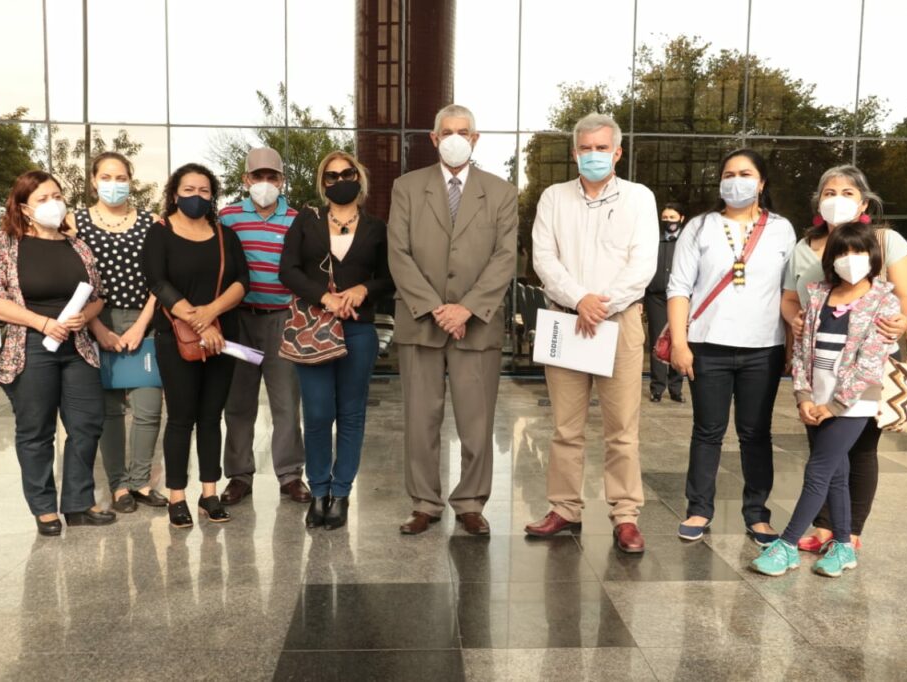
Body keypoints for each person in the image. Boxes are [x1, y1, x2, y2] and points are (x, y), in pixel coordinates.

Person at [524, 113, 658, 554]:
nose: (594, 155)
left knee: (622, 428)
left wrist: (602, 304)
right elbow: (544, 258)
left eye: (603, 148)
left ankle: (625, 515)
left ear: (618, 153)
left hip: (618, 323)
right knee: (566, 427)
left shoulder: (639, 199)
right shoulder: (554, 198)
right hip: (567, 320)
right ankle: (565, 508)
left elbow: (643, 264)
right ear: (574, 152)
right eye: (586, 147)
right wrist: (580, 298)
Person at [387, 103, 518, 536]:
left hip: (476, 323)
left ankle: (470, 502)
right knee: (421, 419)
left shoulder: (501, 192)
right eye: (447, 131)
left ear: (476, 138)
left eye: (464, 131)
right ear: (434, 137)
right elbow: (399, 254)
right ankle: (424, 502)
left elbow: (504, 257)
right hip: (421, 321)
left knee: (476, 422)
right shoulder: (407, 187)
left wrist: (466, 308)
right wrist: (436, 308)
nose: (456, 137)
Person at [781, 165, 907, 551]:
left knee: (858, 448)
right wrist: (796, 322)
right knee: (826, 448)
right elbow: (792, 298)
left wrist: (902, 320)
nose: (836, 198)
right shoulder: (806, 246)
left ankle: (851, 531)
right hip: (820, 361)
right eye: (828, 191)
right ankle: (828, 528)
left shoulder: (885, 240)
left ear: (863, 200)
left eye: (846, 191)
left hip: (865, 361)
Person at [0, 170, 115, 536]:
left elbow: (98, 295)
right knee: (36, 430)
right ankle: (44, 508)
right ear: (24, 208)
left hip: (77, 346)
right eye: (43, 199)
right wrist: (40, 322)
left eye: (57, 195)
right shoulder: (3, 244)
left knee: (86, 423)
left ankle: (79, 503)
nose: (54, 204)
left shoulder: (76, 245)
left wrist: (87, 315)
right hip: (30, 345)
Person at [753, 223, 900, 577]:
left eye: (859, 252)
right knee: (836, 473)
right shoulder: (818, 294)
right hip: (816, 398)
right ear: (831, 258)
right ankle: (844, 548)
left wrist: (834, 406)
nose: (851, 259)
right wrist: (803, 395)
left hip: (854, 403)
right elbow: (802, 350)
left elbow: (869, 363)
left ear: (873, 257)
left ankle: (787, 545)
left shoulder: (884, 300)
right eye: (843, 252)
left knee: (818, 469)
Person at [667, 149, 797, 545]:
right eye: (728, 173)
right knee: (707, 431)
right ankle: (699, 508)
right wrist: (679, 342)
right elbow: (679, 288)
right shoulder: (700, 227)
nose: (735, 180)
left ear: (761, 183)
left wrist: (791, 346)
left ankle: (757, 514)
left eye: (745, 173)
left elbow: (789, 292)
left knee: (755, 432)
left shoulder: (781, 229)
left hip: (764, 347)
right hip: (708, 345)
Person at [280, 150, 395, 530]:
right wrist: (323, 296)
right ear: (322, 183)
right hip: (314, 328)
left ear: (359, 179)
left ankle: (341, 494)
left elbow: (389, 278)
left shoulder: (377, 227)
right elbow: (288, 270)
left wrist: (364, 288)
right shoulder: (306, 221)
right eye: (331, 176)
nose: (340, 180)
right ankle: (319, 491)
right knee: (316, 414)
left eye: (347, 174)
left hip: (359, 329)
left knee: (351, 414)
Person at [142, 163, 250, 528]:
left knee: (210, 417)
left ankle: (209, 493)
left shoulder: (225, 235)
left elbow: (241, 281)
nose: (196, 197)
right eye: (189, 190)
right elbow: (157, 281)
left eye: (204, 191)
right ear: (174, 193)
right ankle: (176, 495)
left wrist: (211, 315)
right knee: (181, 418)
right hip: (176, 338)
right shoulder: (160, 232)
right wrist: (196, 321)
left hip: (222, 336)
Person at [66, 152, 165, 513]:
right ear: (93, 180)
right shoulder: (74, 222)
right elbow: (71, 279)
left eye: (120, 176)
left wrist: (142, 324)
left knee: (148, 407)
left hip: (144, 321)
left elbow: (160, 279)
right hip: (95, 320)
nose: (113, 183)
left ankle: (141, 482)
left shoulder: (151, 222)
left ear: (130, 179)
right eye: (105, 177)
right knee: (108, 410)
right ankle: (119, 486)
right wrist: (98, 327)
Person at [218, 148, 309, 507]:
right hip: (239, 321)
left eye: (273, 177)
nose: (266, 183)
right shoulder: (228, 217)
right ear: (246, 180)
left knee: (286, 401)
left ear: (282, 180)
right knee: (238, 402)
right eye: (259, 177)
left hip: (282, 321)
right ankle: (239, 475)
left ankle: (290, 475)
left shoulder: (297, 219)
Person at [646, 202, 687, 403]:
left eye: (672, 218)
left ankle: (676, 388)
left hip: (680, 298)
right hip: (656, 297)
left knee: (678, 340)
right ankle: (657, 388)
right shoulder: (653, 241)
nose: (668, 222)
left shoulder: (687, 242)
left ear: (681, 218)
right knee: (657, 341)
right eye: (665, 218)